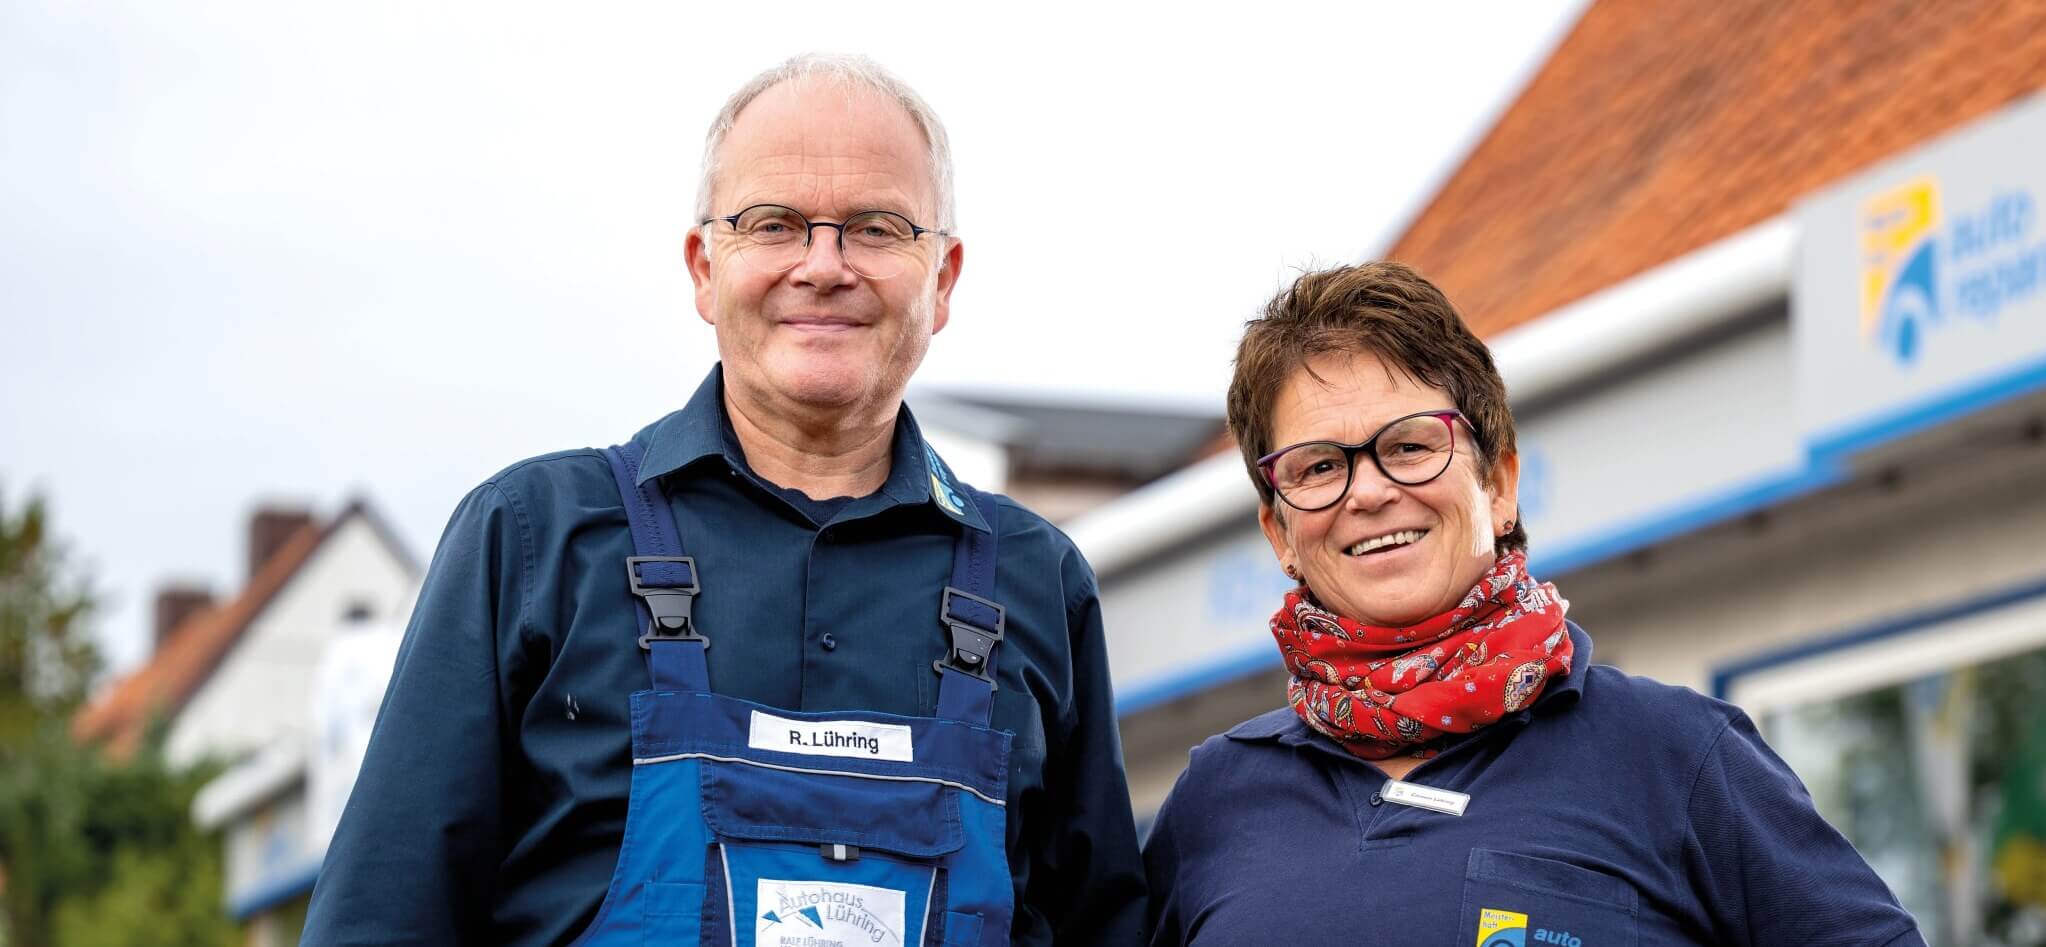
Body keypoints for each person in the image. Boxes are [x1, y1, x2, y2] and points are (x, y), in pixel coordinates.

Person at [303, 54, 1145, 947]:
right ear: (705, 266)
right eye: (774, 224)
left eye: (876, 227)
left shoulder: (1038, 582)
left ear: (942, 280)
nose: (824, 266)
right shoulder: (531, 541)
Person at [1142, 262, 1924, 947]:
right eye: (1318, 467)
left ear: (1500, 484)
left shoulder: (1677, 756)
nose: (1372, 491)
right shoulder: (1214, 800)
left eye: (1410, 445)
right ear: (1278, 528)